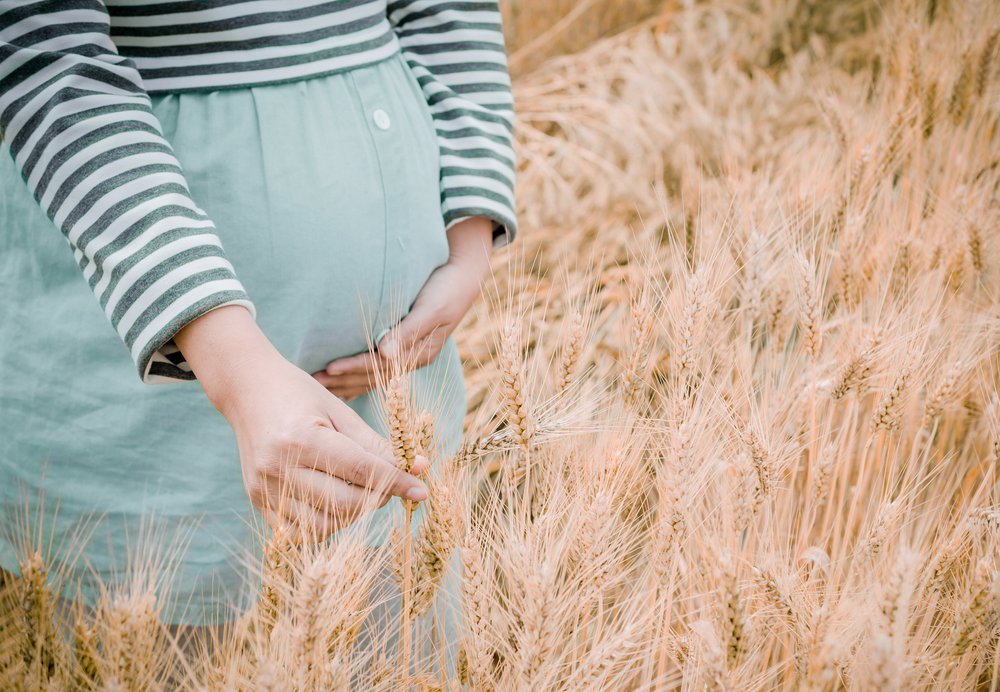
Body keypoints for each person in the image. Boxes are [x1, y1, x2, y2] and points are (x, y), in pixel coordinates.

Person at [0, 0, 516, 628]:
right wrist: (237, 371)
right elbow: (50, 62)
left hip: (403, 399)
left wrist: (470, 241)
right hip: (156, 402)